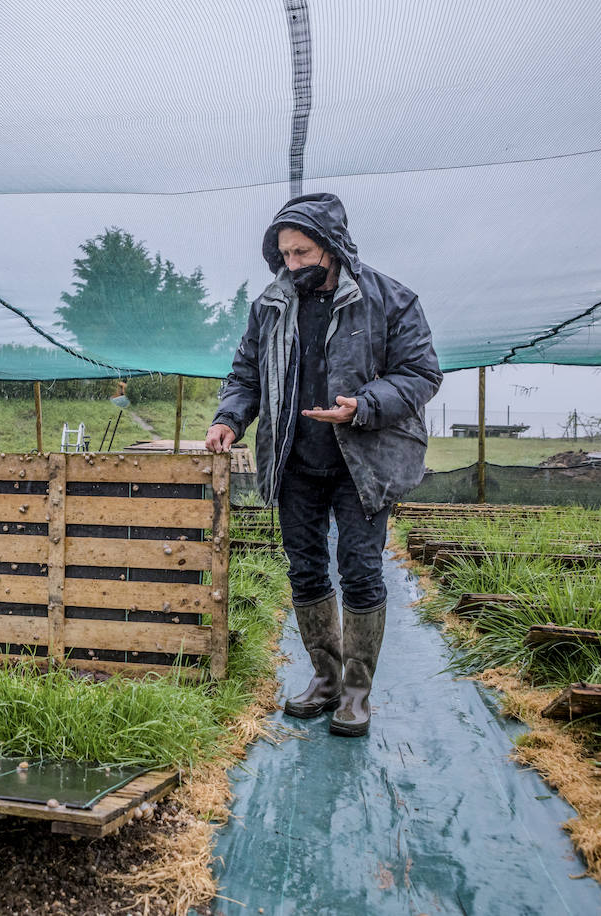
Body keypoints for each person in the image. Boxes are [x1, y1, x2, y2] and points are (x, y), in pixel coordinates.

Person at [206, 193, 442, 737]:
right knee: (306, 569)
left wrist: (364, 404)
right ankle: (326, 678)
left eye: (302, 252)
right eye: (285, 254)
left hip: (364, 463)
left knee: (360, 570)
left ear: (332, 248)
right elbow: (245, 376)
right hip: (295, 461)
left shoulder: (390, 300)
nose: (293, 264)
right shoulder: (271, 305)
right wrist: (229, 420)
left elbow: (421, 374)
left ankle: (357, 691)